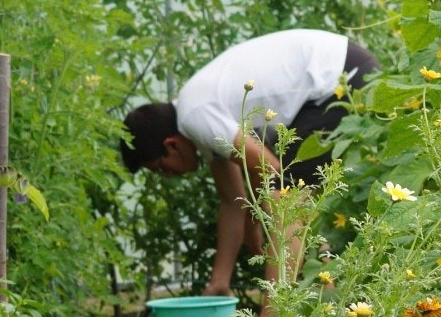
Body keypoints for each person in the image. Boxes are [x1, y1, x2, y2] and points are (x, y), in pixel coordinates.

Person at [121, 29, 379, 300]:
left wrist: (257, 219)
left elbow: (268, 167)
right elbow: (232, 201)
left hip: (340, 78)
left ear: (171, 144)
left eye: (162, 168)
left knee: (285, 200)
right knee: (292, 203)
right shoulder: (195, 120)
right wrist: (219, 282)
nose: (169, 175)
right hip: (335, 74)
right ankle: (329, 304)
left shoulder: (194, 116)